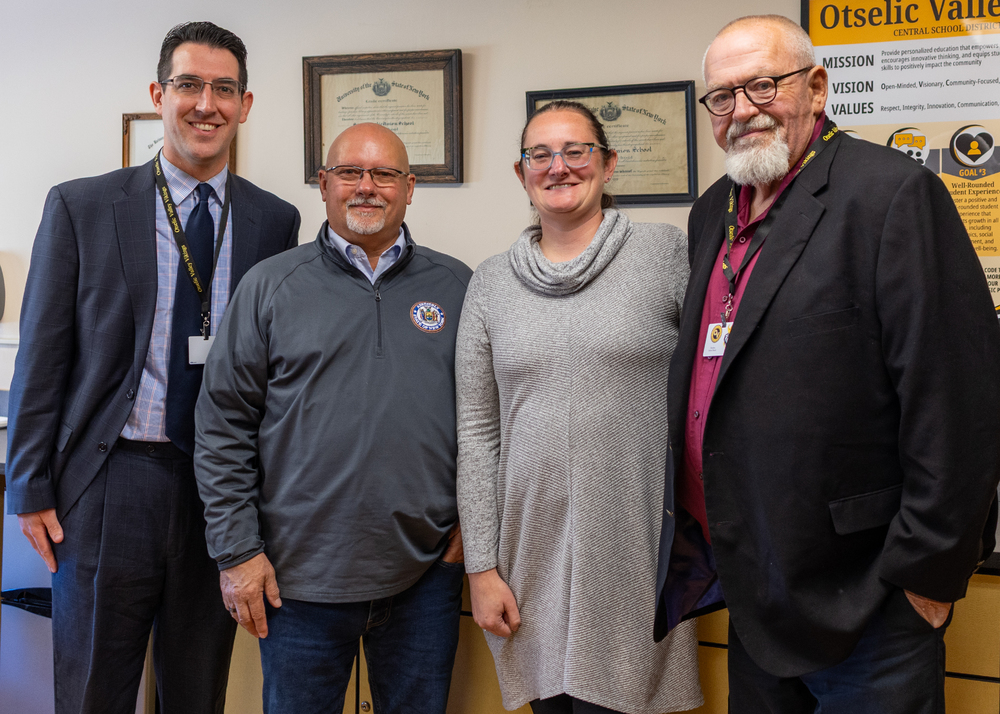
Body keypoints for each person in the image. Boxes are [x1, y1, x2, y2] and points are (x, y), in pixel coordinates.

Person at [654, 14, 1000, 714]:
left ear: (815, 86)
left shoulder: (891, 195)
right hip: (754, 584)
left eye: (762, 85)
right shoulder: (714, 210)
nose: (741, 110)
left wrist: (928, 579)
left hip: (868, 595)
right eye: (721, 96)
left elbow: (957, 403)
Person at [5, 21, 300, 714]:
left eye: (223, 89)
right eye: (189, 84)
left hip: (219, 493)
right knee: (92, 690)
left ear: (245, 105)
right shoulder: (82, 206)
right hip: (110, 483)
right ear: (158, 94)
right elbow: (42, 357)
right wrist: (28, 485)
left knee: (196, 690)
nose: (206, 103)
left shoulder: (273, 221)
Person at [193, 122, 471, 714]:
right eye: (350, 172)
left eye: (385, 174)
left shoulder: (458, 286)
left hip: (425, 580)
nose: (366, 187)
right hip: (297, 586)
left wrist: (474, 529)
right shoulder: (269, 285)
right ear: (324, 184)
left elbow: (486, 421)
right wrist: (238, 553)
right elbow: (222, 427)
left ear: (410, 187)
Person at [456, 100, 702, 714]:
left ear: (609, 163)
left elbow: (709, 394)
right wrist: (481, 568)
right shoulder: (489, 283)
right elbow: (477, 434)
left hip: (636, 544)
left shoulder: (665, 255)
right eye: (540, 155)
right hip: (526, 555)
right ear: (521, 174)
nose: (558, 167)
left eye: (576, 151)